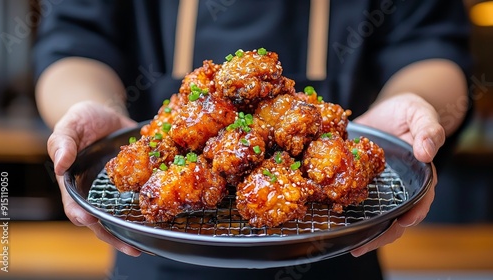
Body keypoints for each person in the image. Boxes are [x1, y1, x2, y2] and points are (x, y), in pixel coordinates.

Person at [33, 0, 472, 279]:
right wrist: (90, 108)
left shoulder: (307, 133)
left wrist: (413, 105)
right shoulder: (190, 128)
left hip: (337, 251)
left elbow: (432, 48)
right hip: (154, 255)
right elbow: (74, 43)